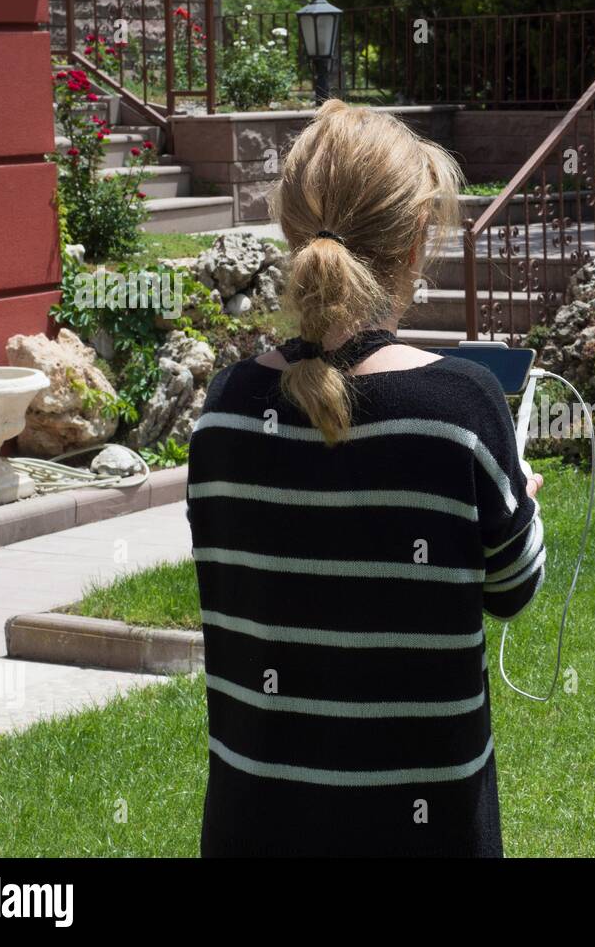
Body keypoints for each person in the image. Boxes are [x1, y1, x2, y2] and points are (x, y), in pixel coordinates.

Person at [186, 101, 545, 857]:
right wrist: (525, 507)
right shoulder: (462, 405)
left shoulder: (222, 410)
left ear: (291, 233)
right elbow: (513, 590)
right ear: (417, 242)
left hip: (254, 827)